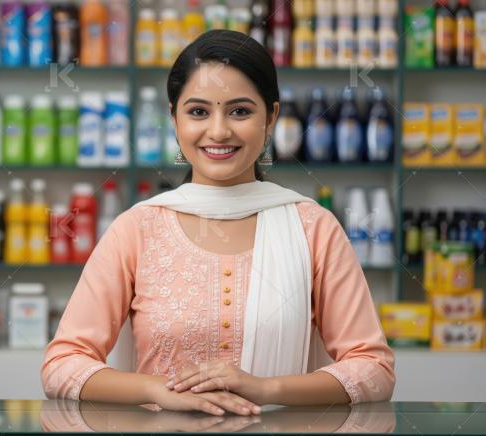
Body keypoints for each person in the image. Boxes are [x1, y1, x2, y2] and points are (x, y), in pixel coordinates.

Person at [41, 30, 395, 416]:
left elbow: (373, 370)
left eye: (240, 111)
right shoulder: (137, 229)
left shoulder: (313, 228)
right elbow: (62, 365)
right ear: (174, 119)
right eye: (198, 112)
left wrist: (266, 388)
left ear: (271, 117)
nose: (219, 131)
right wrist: (158, 390)